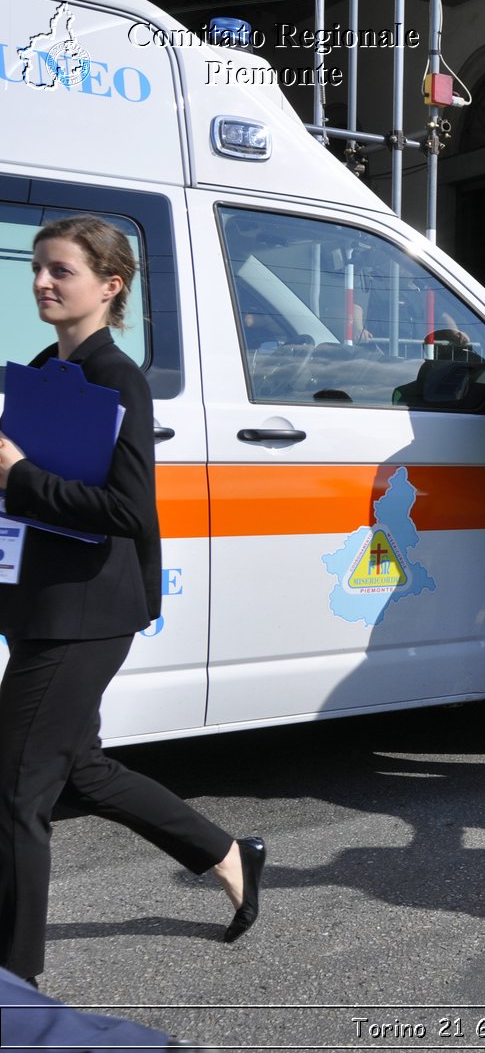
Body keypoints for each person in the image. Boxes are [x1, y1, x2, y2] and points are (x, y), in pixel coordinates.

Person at [0, 216, 264, 985]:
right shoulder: (50, 367)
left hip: (85, 610)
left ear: (110, 287)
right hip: (42, 598)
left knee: (16, 791)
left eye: (62, 271)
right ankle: (226, 854)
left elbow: (126, 509)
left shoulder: (120, 378)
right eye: (39, 268)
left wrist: (16, 474)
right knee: (78, 771)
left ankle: (15, 984)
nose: (43, 281)